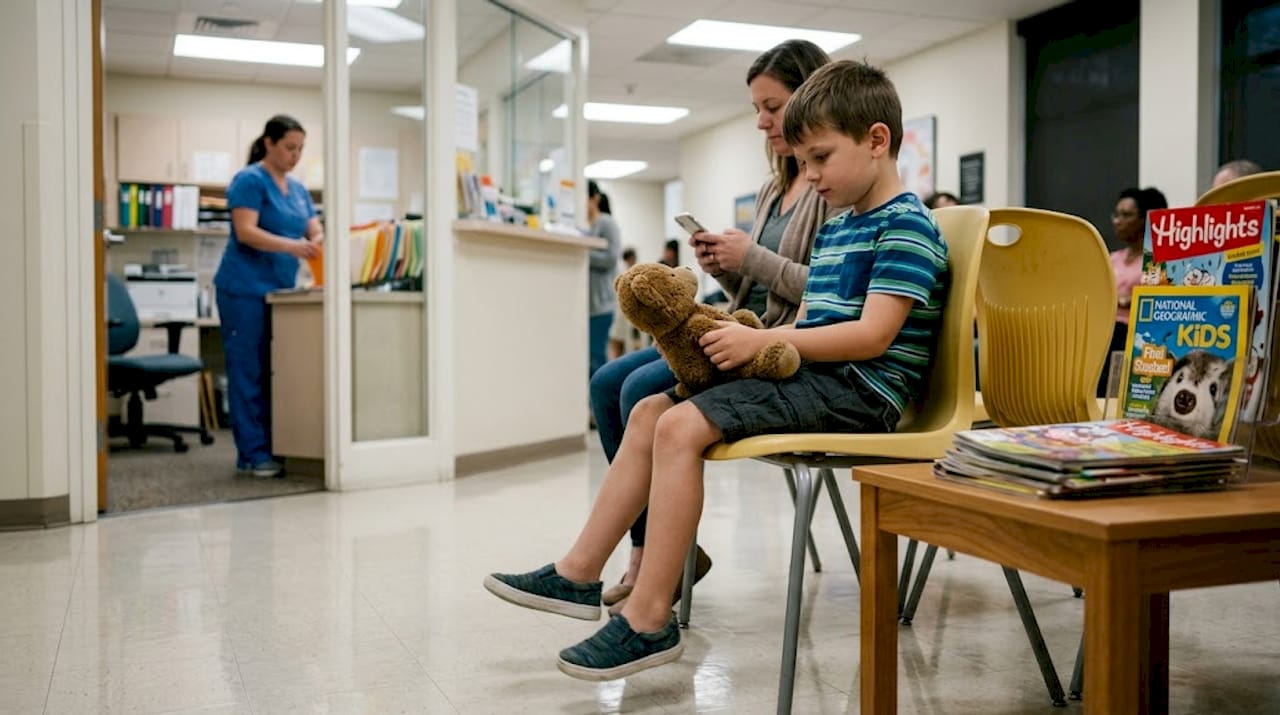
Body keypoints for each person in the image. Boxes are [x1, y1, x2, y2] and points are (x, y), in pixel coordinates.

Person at [485, 59, 949, 680]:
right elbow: (808, 323)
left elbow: (872, 336)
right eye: (803, 161)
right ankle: (578, 573)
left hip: (861, 393)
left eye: (819, 158)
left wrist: (767, 346)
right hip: (819, 376)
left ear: (876, 139)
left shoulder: (907, 225)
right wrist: (753, 338)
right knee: (651, 409)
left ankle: (649, 620)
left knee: (678, 428)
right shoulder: (840, 226)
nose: (808, 176)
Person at [586, 39, 838, 615]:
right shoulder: (778, 185)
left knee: (636, 390)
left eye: (772, 106)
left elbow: (825, 291)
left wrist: (749, 257)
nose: (762, 121)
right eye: (758, 108)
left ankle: (656, 561)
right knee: (607, 383)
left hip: (783, 347)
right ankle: (651, 548)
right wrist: (726, 267)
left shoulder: (830, 183)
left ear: (811, 96)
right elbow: (759, 292)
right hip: (747, 324)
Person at [215, 114, 323, 478]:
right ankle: (252, 454)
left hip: (281, 293)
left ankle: (278, 445)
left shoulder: (299, 189)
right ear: (269, 144)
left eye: (300, 149)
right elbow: (246, 232)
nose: (296, 155)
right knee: (248, 370)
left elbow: (313, 226)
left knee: (277, 372)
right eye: (290, 147)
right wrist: (296, 246)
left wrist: (317, 239)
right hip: (243, 288)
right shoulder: (249, 180)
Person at [1100, 186, 1167, 397]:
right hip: (1106, 332)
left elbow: (1159, 298)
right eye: (1116, 214)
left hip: (1136, 335)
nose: (1117, 221)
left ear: (1145, 219)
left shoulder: (1158, 260)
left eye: (1126, 215)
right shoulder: (1112, 258)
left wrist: (1127, 300)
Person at [587, 180, 622, 377]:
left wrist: (583, 255)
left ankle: (598, 404)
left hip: (601, 304)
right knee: (589, 357)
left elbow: (611, 258)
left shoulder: (606, 222)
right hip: (588, 306)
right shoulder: (586, 224)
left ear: (594, 198)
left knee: (596, 356)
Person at [607, 248, 646, 361]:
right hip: (625, 312)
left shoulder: (641, 273)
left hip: (639, 313)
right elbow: (615, 341)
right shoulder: (622, 276)